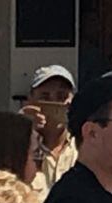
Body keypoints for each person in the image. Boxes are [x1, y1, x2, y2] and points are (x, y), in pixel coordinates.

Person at [21, 65, 79, 195]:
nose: (54, 103)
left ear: (72, 101)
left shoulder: (84, 145)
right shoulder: (18, 145)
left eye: (61, 96)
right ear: (31, 99)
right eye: (45, 97)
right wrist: (21, 130)